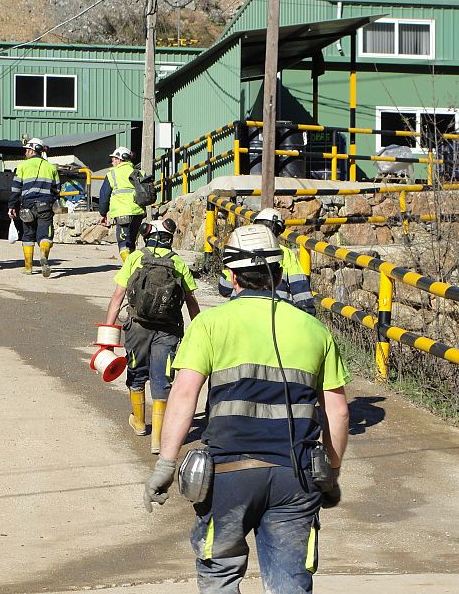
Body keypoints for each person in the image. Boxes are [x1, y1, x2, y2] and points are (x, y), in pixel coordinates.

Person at [143, 223, 350, 593]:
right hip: (296, 477)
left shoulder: (210, 324)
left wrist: (166, 464)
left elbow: (184, 395)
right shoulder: (314, 330)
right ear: (280, 274)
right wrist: (331, 472)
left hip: (228, 476)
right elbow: (338, 411)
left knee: (220, 575)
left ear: (232, 275)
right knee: (290, 582)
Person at [105, 218, 201, 454]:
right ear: (170, 239)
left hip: (138, 327)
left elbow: (118, 296)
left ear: (146, 237)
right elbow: (191, 302)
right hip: (168, 329)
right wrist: (199, 333)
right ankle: (157, 439)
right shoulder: (177, 262)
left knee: (137, 374)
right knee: (162, 380)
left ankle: (139, 423)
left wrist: (108, 335)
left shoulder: (136, 259)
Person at [218, 208, 316, 315]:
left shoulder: (241, 251)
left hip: (241, 314)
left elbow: (224, 289)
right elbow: (301, 292)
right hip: (278, 316)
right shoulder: (286, 254)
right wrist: (308, 317)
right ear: (278, 232)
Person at [8, 138, 61, 278]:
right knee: (45, 236)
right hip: (45, 206)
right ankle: (43, 255)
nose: (25, 152)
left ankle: (28, 267)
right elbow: (57, 190)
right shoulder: (51, 167)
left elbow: (15, 189)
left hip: (27, 206)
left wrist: (12, 206)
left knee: (28, 235)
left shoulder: (22, 166)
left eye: (26, 150)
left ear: (32, 150)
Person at [98, 146, 146, 261]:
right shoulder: (139, 172)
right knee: (132, 242)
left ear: (120, 159)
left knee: (123, 243)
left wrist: (103, 213)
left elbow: (104, 195)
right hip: (138, 212)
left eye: (114, 159)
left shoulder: (112, 174)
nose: (112, 162)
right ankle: (133, 265)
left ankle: (129, 267)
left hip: (122, 212)